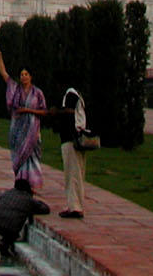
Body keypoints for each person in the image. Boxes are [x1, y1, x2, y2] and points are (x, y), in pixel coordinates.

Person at [0, 46, 46, 187]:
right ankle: (20, 183)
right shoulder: (15, 89)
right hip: (17, 129)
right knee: (19, 156)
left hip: (33, 130)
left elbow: (44, 111)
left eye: (26, 74)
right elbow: (4, 74)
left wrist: (28, 111)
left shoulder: (37, 93)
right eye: (22, 74)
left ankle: (32, 183)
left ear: (31, 76)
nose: (24, 77)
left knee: (32, 156)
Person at [0, 176, 49, 261]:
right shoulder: (30, 200)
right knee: (11, 228)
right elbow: (45, 209)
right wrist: (36, 201)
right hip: (10, 230)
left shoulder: (6, 194)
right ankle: (5, 244)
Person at [43, 87, 87, 218]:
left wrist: (56, 112)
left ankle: (75, 207)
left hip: (70, 140)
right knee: (77, 173)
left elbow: (70, 112)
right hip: (77, 139)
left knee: (72, 174)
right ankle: (76, 205)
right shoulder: (77, 94)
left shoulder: (70, 94)